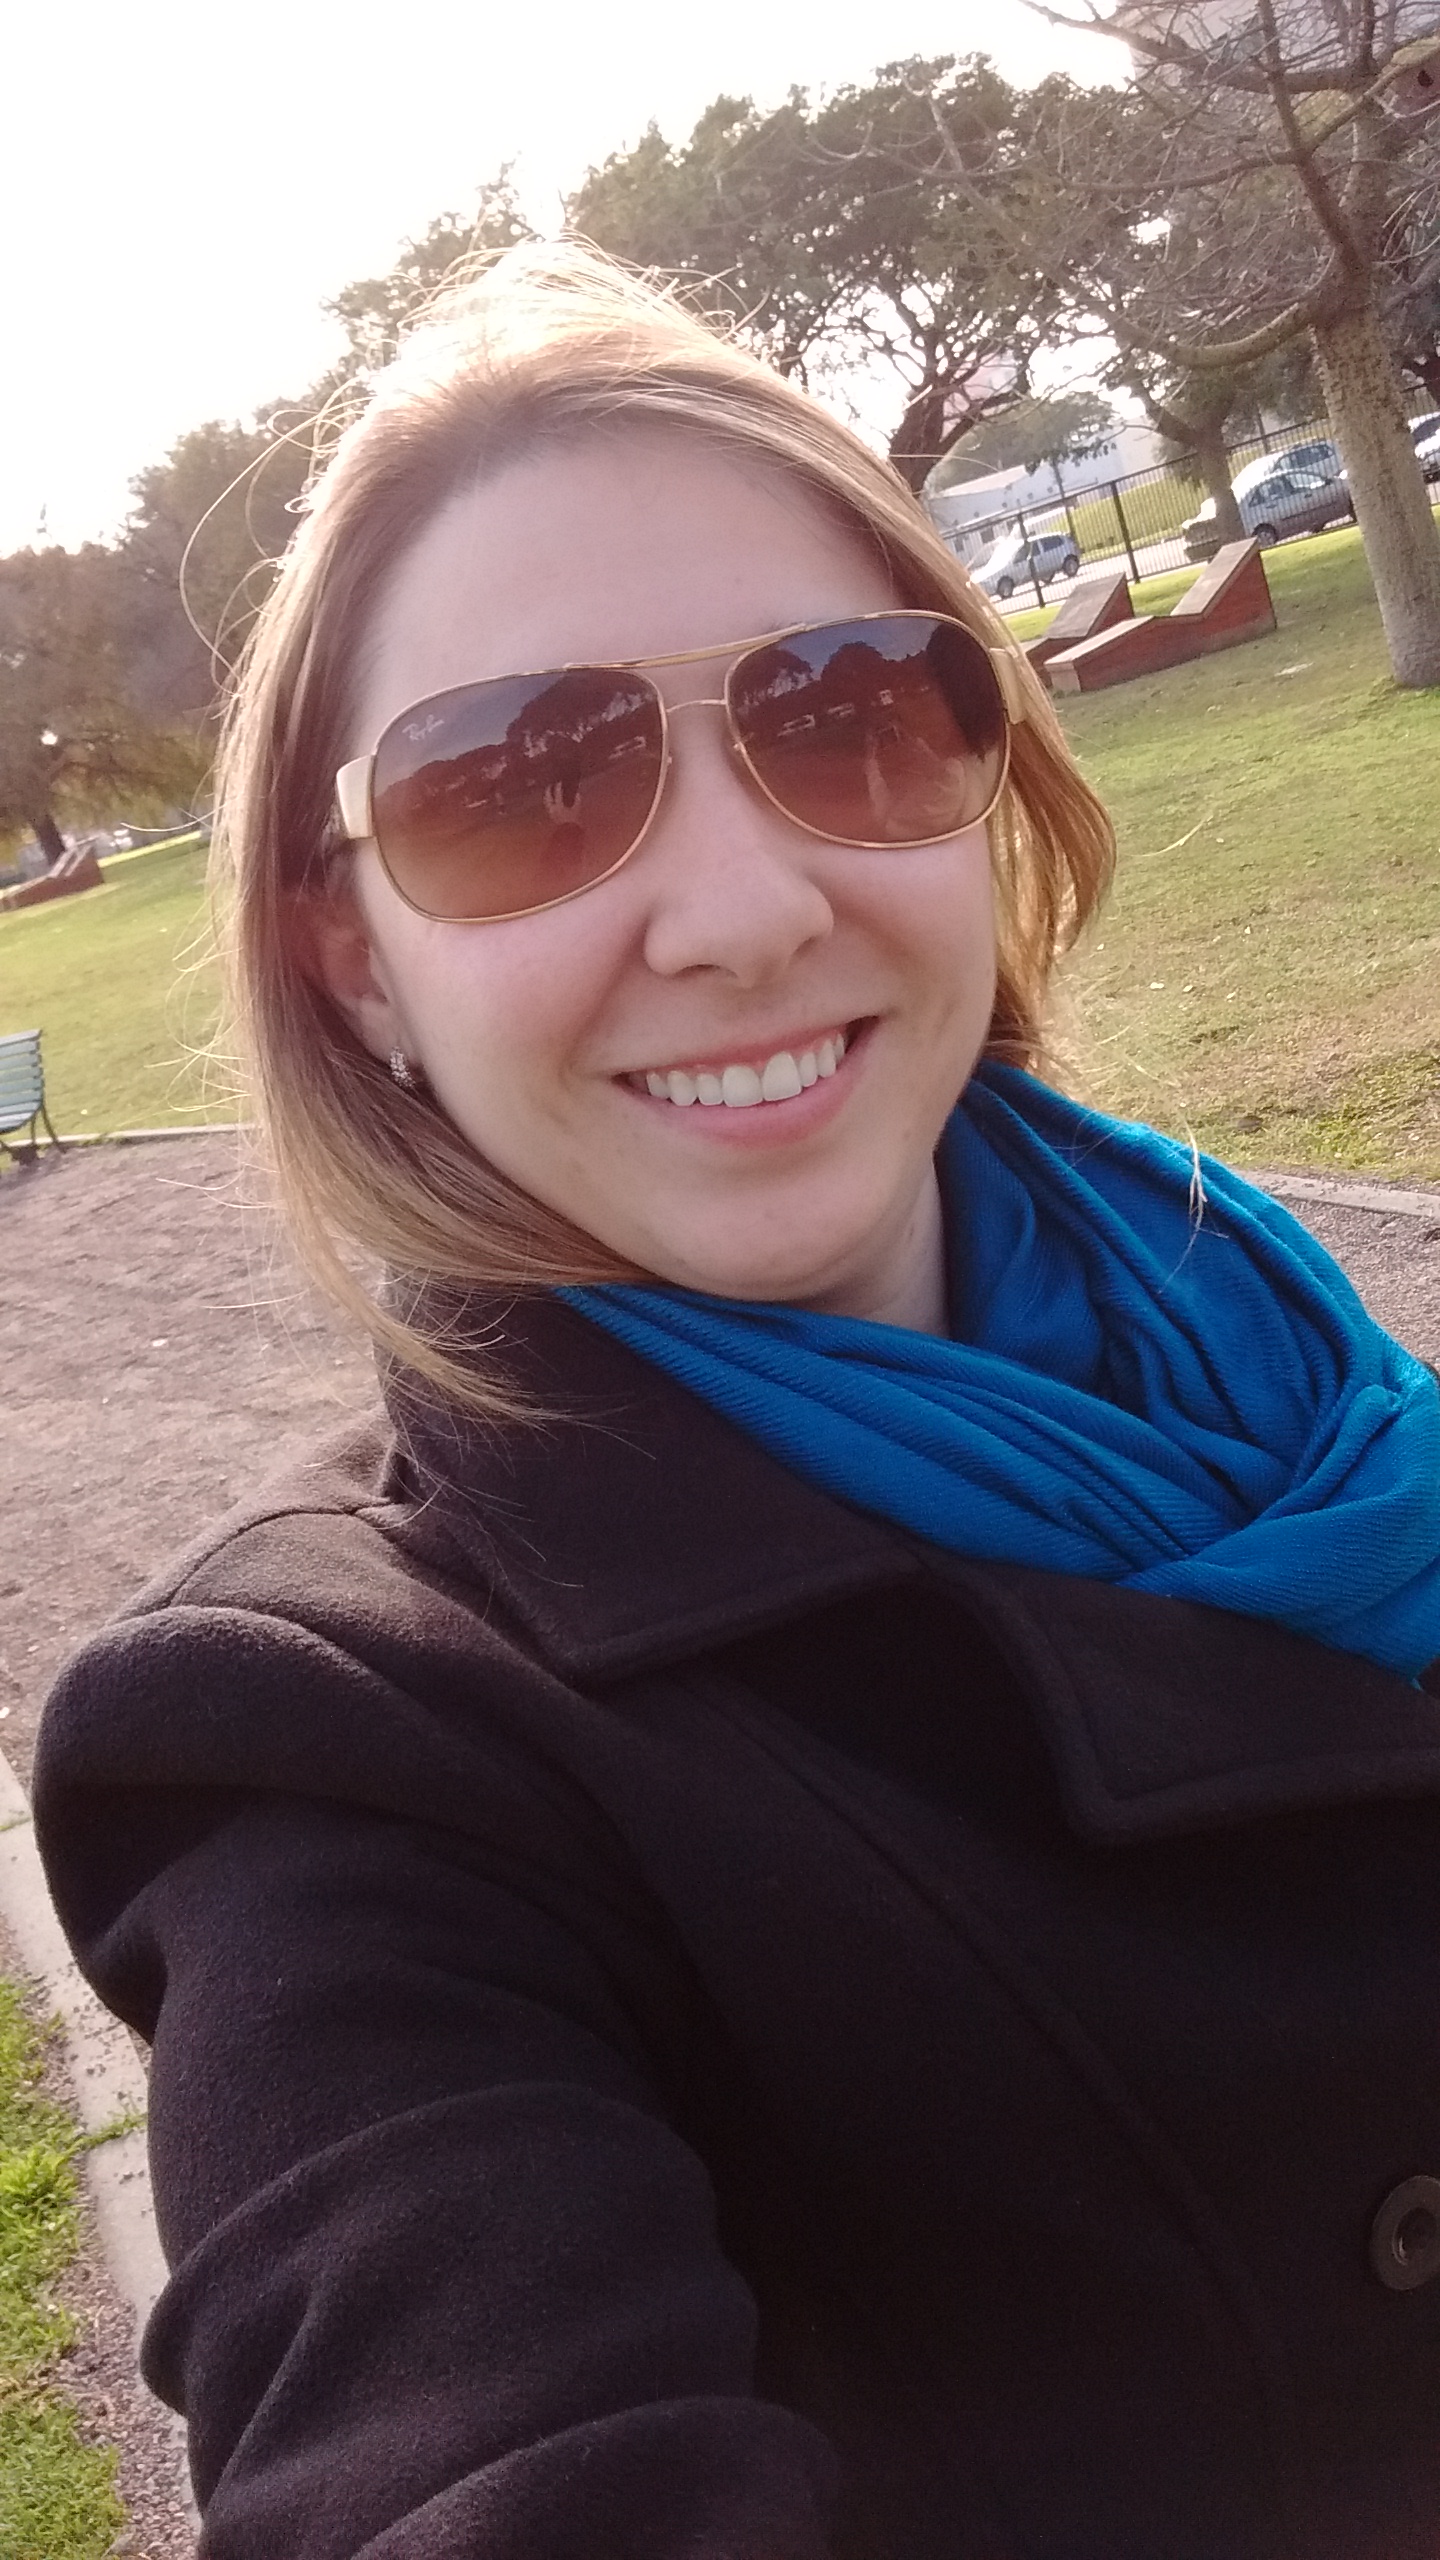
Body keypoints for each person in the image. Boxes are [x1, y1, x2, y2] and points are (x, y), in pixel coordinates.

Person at [34, 244, 1440, 2560]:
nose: (741, 907)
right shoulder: (332, 1750)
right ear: (354, 955)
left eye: (848, 709)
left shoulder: (1282, 1355)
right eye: (521, 782)